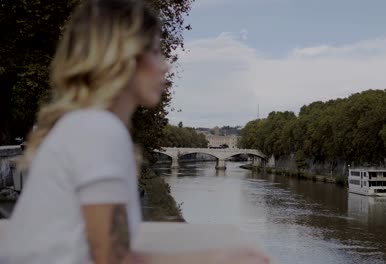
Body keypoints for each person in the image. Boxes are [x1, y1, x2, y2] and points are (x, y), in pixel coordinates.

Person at [0, 0, 270, 263]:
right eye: (154, 52)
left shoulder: (87, 125)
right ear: (122, 60)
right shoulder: (98, 131)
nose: (165, 65)